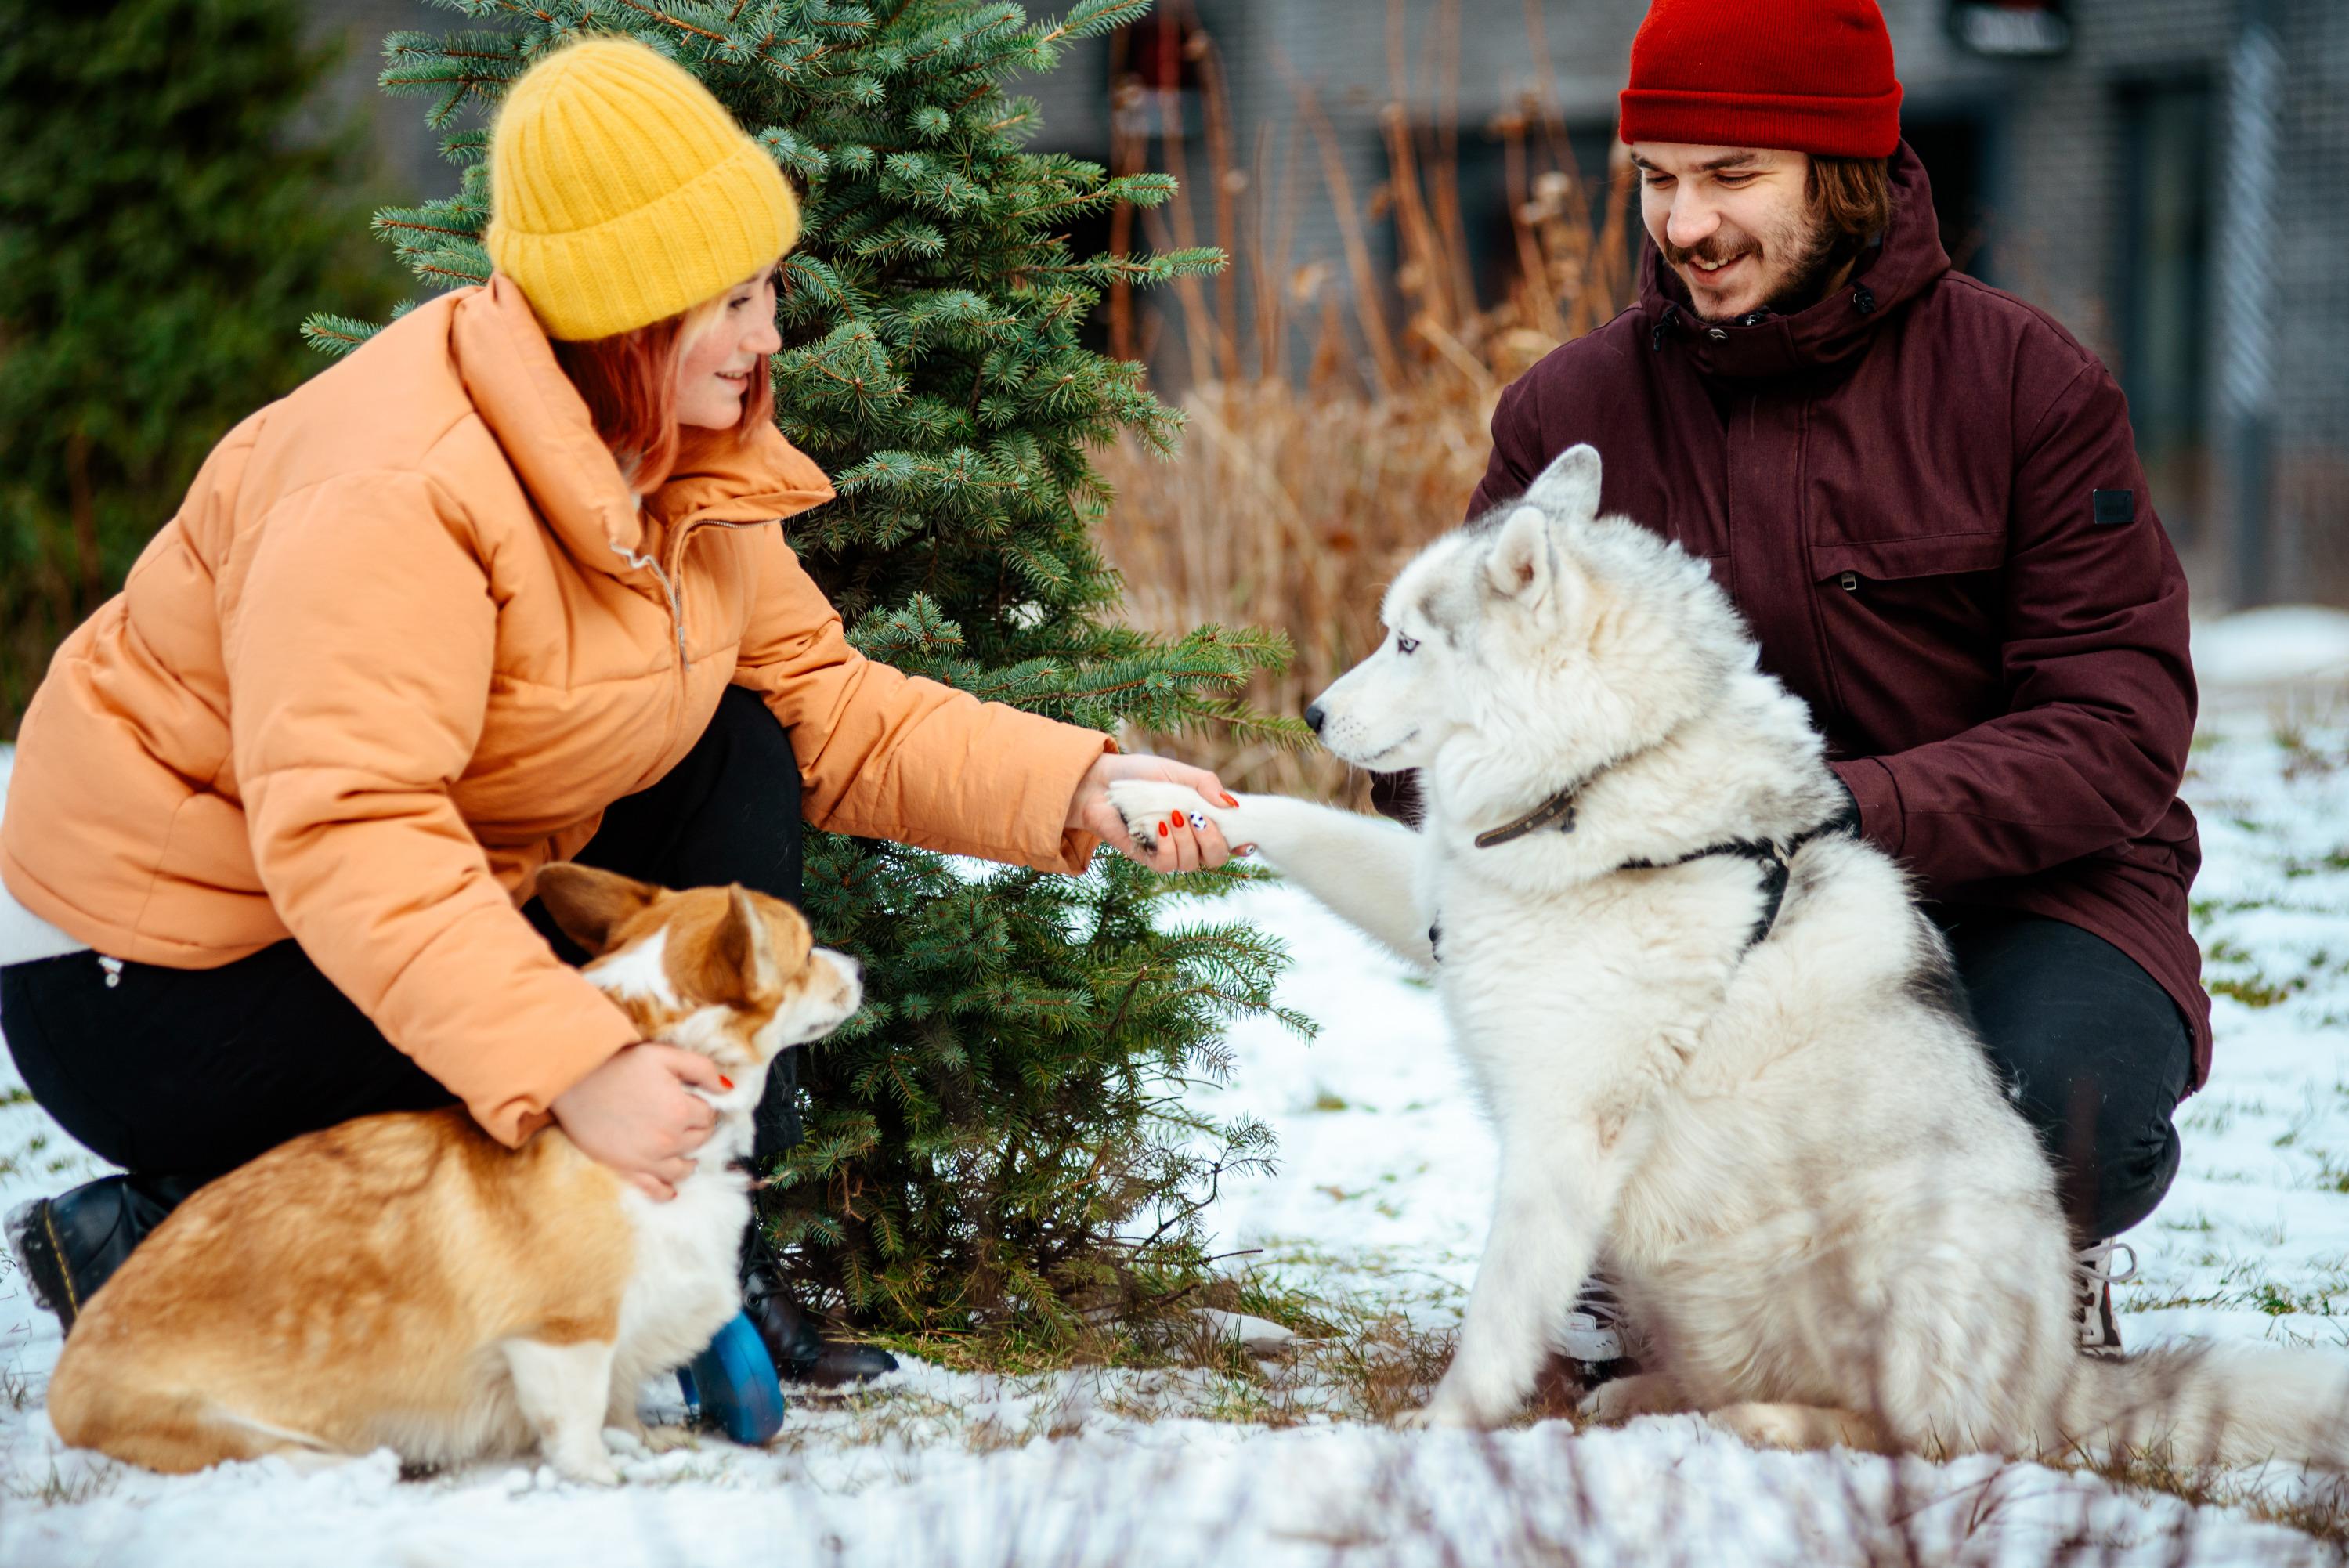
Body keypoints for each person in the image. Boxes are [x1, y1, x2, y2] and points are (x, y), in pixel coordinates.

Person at [0, 38, 1235, 1411]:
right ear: (625, 315)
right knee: (518, 1041)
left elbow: (826, 706)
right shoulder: (389, 488)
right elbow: (352, 832)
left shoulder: (675, 463)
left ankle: (708, 1254)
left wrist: (1078, 783)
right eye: (735, 301)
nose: (773, 334)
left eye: (769, 289)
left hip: (376, 904)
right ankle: (167, 1241)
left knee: (741, 740)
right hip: (156, 977)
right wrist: (579, 1062)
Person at [1373, 0, 2205, 1357]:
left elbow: (2114, 731)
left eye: (1733, 175)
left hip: (2023, 893)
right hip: (1707, 913)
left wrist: (1829, 808)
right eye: (1657, 179)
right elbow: (1438, 709)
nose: (1686, 225)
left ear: (1846, 171)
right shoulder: (1569, 415)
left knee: (2059, 1112)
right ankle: (1651, 1254)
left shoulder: (2027, 387)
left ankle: (2034, 1253)